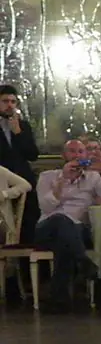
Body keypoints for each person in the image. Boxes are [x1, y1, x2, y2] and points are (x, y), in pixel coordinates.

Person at [35, 140, 101, 306]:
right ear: (64, 155)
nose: (77, 155)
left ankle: (59, 298)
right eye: (72, 151)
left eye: (81, 152)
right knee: (61, 219)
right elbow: (46, 207)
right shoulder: (47, 177)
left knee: (65, 240)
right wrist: (63, 180)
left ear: (86, 156)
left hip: (78, 230)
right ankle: (83, 261)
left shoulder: (93, 178)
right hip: (48, 227)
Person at [0, 85, 40, 243]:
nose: (10, 105)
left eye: (13, 101)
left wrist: (18, 134)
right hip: (2, 181)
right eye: (5, 101)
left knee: (29, 228)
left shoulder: (23, 126)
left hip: (23, 181)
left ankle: (28, 266)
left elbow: (32, 155)